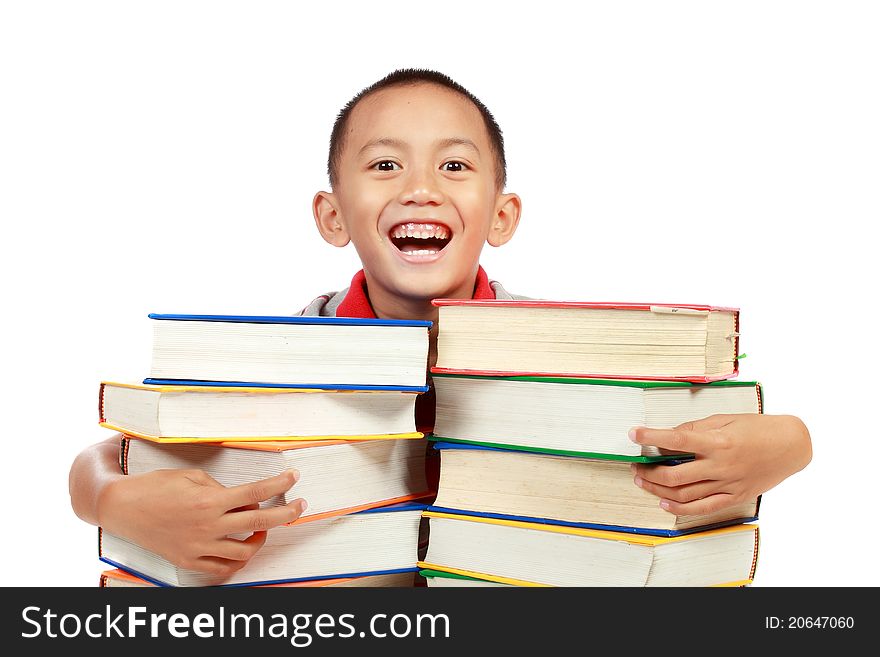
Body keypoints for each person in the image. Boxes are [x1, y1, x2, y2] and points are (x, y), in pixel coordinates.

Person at [69, 68, 812, 577]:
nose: (420, 189)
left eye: (454, 167)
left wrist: (789, 444)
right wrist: (110, 500)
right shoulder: (288, 344)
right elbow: (119, 453)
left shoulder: (556, 349)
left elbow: (711, 433)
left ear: (501, 215)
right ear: (332, 216)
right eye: (385, 166)